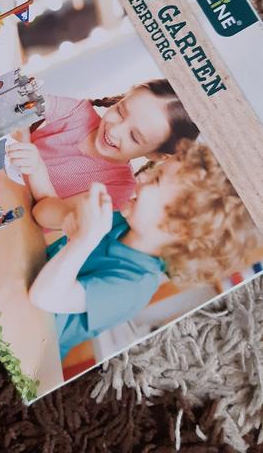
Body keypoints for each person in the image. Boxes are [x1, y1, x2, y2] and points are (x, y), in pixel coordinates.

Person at [28, 141, 261, 359]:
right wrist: (38, 169)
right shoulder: (120, 222)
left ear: (178, 227)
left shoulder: (135, 285)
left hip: (30, 343)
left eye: (157, 179)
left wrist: (84, 239)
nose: (142, 176)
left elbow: (44, 297)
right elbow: (43, 214)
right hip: (19, 282)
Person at [6, 79, 199, 209]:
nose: (115, 130)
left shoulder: (119, 188)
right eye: (120, 112)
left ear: (156, 155)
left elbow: (54, 215)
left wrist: (36, 168)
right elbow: (24, 106)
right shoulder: (78, 112)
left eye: (134, 137)